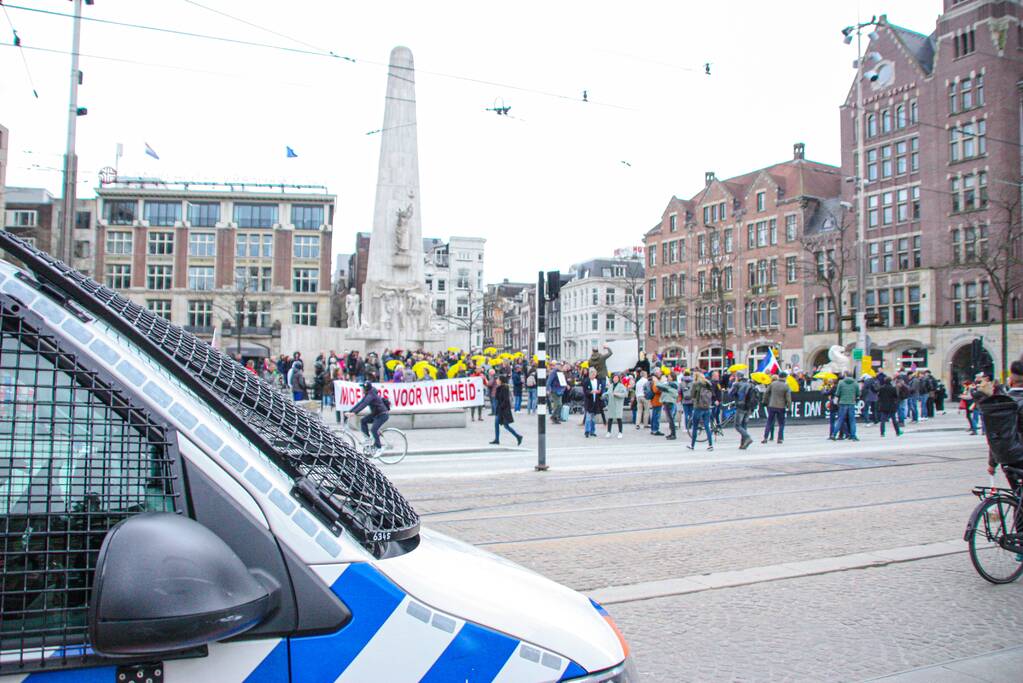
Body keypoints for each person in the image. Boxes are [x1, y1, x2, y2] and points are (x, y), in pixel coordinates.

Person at [344, 379, 389, 451]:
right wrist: (350, 411)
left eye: (363, 388)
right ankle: (367, 439)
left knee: (373, 429)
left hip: (382, 415)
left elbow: (364, 405)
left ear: (366, 389)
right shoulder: (368, 394)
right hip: (376, 414)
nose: (362, 389)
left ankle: (379, 448)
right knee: (363, 421)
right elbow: (360, 403)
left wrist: (354, 413)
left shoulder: (371, 395)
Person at [490, 375, 523, 445]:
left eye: (498, 379)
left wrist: (501, 407)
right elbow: (496, 397)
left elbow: (506, 400)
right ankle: (497, 439)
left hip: (503, 410)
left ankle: (518, 436)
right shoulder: (499, 388)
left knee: (506, 426)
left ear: (501, 380)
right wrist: (497, 388)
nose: (496, 380)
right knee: (497, 424)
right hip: (499, 409)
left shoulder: (505, 388)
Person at [762, 372, 792, 445]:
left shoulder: (773, 384)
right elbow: (788, 399)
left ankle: (765, 437)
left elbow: (766, 393)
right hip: (781, 407)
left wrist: (764, 401)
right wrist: (789, 408)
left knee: (769, 422)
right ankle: (780, 438)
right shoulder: (786, 386)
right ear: (785, 377)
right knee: (781, 423)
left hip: (772, 405)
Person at [687, 370, 714, 451]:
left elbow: (692, 395)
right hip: (707, 407)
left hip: (698, 407)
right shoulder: (708, 384)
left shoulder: (696, 384)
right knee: (707, 426)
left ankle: (692, 445)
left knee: (695, 426)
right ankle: (710, 445)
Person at [727, 371, 755, 449]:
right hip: (748, 407)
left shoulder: (737, 384)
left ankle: (747, 437)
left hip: (740, 406)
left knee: (737, 425)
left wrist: (731, 384)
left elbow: (730, 394)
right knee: (744, 425)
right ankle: (743, 444)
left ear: (737, 377)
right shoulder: (749, 384)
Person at [831, 371, 860, 441]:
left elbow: (837, 393)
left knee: (840, 420)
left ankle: (834, 434)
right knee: (852, 420)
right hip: (851, 403)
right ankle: (853, 436)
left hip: (842, 403)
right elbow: (858, 394)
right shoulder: (855, 383)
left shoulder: (841, 382)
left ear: (845, 375)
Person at [655, 372, 679, 440]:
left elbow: (659, 385)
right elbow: (660, 386)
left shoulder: (673, 384)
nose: (667, 377)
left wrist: (665, 386)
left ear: (672, 377)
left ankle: (673, 434)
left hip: (669, 402)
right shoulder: (670, 383)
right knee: (669, 418)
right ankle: (672, 433)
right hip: (667, 401)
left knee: (670, 418)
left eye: (669, 376)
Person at [604, 374, 628, 438]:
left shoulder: (621, 386)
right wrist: (605, 395)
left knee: (619, 418)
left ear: (619, 379)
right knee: (610, 418)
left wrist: (617, 394)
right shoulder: (611, 386)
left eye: (616, 378)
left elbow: (625, 394)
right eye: (614, 378)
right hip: (611, 404)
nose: (615, 379)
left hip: (618, 404)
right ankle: (608, 432)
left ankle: (620, 432)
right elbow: (608, 393)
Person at [582, 367, 602, 438]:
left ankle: (592, 431)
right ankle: (587, 431)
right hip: (589, 401)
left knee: (593, 418)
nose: (593, 375)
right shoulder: (586, 381)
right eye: (592, 374)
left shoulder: (598, 381)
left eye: (594, 374)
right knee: (588, 417)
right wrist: (591, 391)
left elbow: (600, 390)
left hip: (595, 400)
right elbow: (585, 391)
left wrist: (599, 392)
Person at [649, 368, 664, 436]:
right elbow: (655, 390)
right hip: (657, 400)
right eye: (659, 372)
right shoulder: (655, 380)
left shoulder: (654, 379)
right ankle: (655, 430)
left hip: (655, 400)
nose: (660, 373)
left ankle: (653, 429)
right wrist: (662, 389)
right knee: (656, 416)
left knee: (654, 415)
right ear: (656, 373)